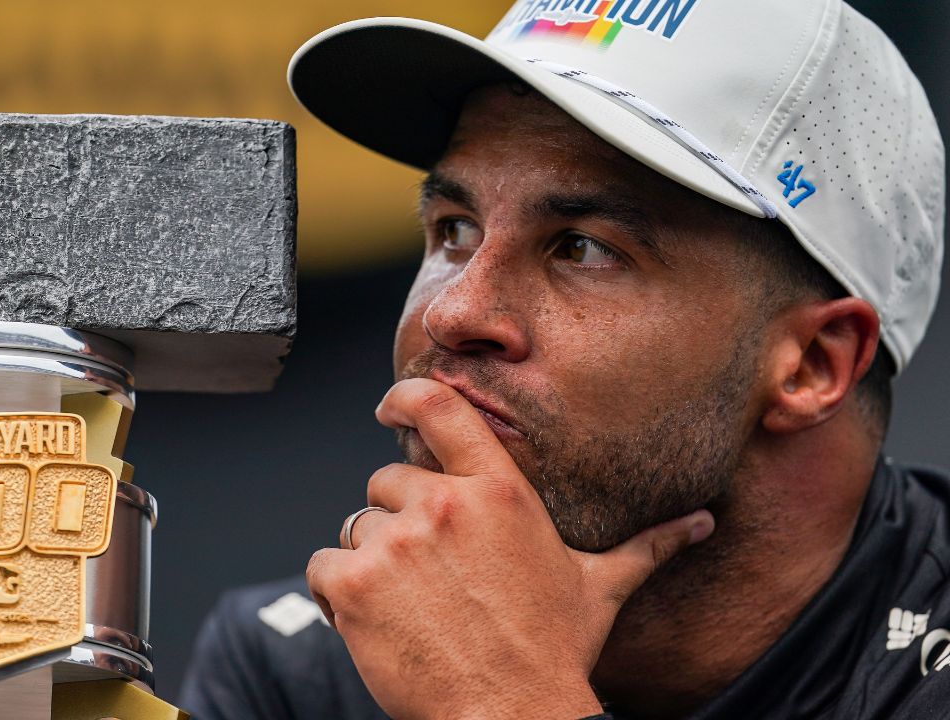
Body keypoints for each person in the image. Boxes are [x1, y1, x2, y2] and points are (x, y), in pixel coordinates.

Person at [181, 0, 948, 717]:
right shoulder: (298, 671)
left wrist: (501, 698)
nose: (453, 313)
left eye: (582, 249)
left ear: (814, 363)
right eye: (454, 229)